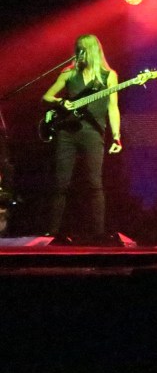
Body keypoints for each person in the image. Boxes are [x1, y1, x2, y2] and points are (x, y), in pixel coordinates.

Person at [41, 34, 122, 237]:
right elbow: (47, 96)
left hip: (93, 133)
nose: (79, 53)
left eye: (83, 49)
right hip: (66, 133)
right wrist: (61, 102)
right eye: (78, 49)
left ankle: (98, 234)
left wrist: (116, 136)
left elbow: (113, 107)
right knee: (61, 183)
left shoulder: (108, 76)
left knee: (94, 183)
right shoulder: (68, 73)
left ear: (93, 50)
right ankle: (51, 233)